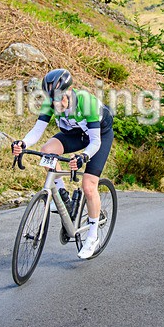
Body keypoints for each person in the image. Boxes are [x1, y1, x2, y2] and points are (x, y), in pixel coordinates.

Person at [11, 68, 114, 259]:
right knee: (47, 151)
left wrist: (83, 157)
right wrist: (23, 143)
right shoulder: (51, 102)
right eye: (53, 100)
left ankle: (92, 237)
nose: (56, 104)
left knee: (89, 186)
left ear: (69, 91)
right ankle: (63, 197)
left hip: (98, 136)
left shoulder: (86, 102)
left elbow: (95, 142)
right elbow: (37, 130)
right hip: (74, 135)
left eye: (60, 99)